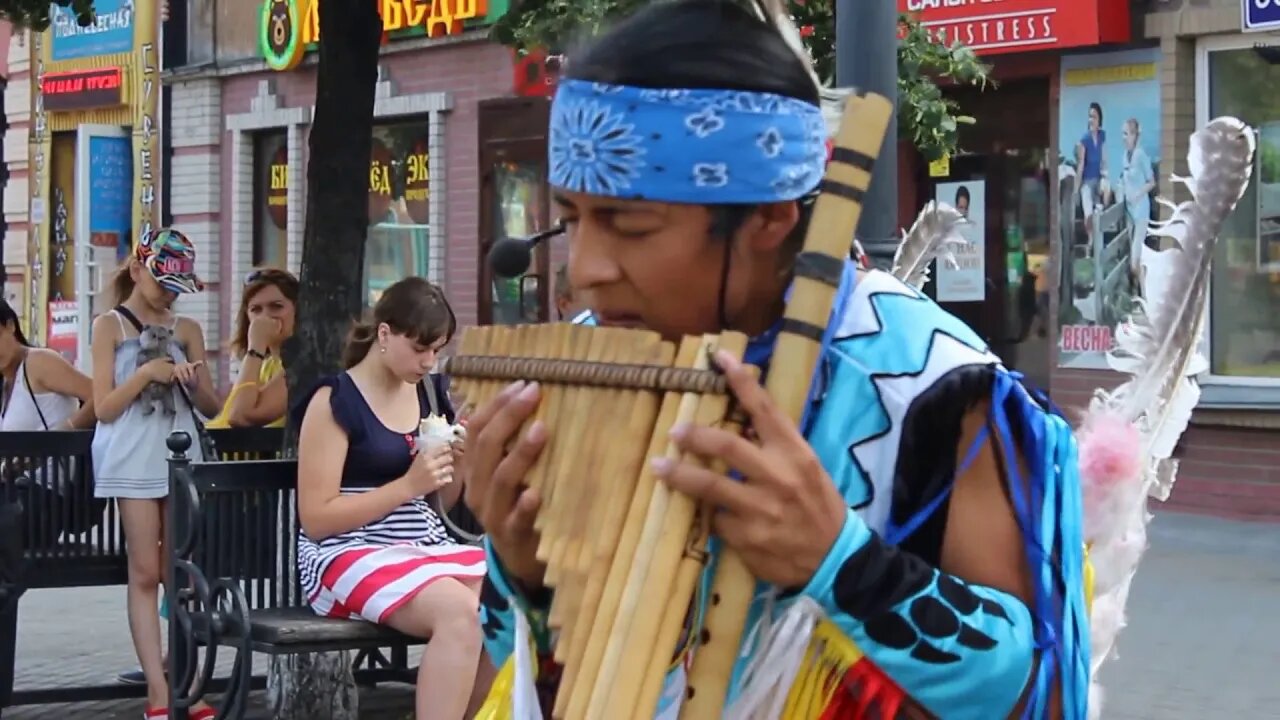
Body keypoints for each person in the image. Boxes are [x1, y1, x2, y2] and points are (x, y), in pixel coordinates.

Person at [466, 3, 1090, 719]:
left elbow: (1035, 689)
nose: (586, 271)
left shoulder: (937, 387)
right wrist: (524, 576)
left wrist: (844, 563)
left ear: (768, 217)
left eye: (630, 225)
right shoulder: (576, 364)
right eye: (572, 219)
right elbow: (511, 654)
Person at [293, 276, 492, 720]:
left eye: (437, 349)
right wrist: (407, 486)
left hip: (419, 542)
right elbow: (316, 519)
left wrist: (460, 457)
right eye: (420, 348)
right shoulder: (334, 400)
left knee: (506, 607)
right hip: (346, 550)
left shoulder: (429, 393)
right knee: (460, 614)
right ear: (384, 334)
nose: (429, 361)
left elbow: (443, 498)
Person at [90, 228, 222, 720]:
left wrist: (190, 378)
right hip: (131, 456)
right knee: (146, 570)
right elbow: (103, 407)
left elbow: (212, 405)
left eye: (176, 286)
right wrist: (147, 374)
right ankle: (158, 691)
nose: (168, 293)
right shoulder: (110, 326)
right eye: (162, 281)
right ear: (137, 269)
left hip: (180, 451)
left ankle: (187, 684)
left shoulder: (187, 328)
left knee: (180, 574)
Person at [207, 267, 299, 428]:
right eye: (256, 309)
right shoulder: (266, 365)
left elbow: (240, 416)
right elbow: (225, 419)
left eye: (276, 306)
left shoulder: (301, 367)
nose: (265, 316)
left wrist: (256, 347)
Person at [0, 298, 95, 433]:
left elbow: (98, 396)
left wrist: (66, 429)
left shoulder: (38, 362)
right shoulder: (7, 381)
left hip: (57, 452)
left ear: (10, 326)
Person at [1121, 118, 1155, 291]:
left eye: (1127, 134)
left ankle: (1146, 291)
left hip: (1141, 211)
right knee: (1134, 258)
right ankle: (1143, 294)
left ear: (1135, 135)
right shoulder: (1124, 157)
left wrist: (1137, 194)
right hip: (1129, 213)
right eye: (1123, 134)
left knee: (1135, 259)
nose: (1124, 137)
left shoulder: (1141, 155)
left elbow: (1151, 182)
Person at [1074, 101, 1109, 230]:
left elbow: (1104, 159)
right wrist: (1076, 190)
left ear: (1099, 119)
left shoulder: (1102, 136)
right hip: (1087, 183)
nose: (1091, 120)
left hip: (1098, 180)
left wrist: (1104, 176)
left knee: (1106, 188)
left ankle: (1103, 210)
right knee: (1088, 215)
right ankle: (1091, 241)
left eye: (1094, 117)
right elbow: (1081, 164)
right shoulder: (1085, 139)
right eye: (1090, 116)